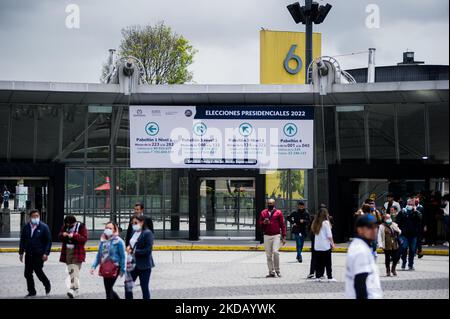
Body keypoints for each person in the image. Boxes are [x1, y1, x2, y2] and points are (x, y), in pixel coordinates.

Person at [345, 214, 383, 299]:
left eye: (375, 226)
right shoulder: (360, 250)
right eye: (369, 227)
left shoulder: (362, 246)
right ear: (360, 230)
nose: (374, 230)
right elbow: (360, 284)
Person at [19, 209, 52, 297]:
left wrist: (46, 253)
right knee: (27, 273)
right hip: (29, 254)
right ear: (30, 217)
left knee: (38, 271)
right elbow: (22, 240)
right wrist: (21, 253)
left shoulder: (44, 227)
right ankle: (32, 291)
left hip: (39, 254)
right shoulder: (26, 227)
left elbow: (48, 241)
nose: (36, 218)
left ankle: (47, 283)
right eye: (34, 216)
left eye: (37, 216)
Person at [90, 222, 126, 299]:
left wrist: (122, 269)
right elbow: (99, 255)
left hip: (115, 267)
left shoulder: (119, 241)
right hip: (105, 267)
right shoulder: (103, 240)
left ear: (114, 230)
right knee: (109, 289)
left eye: (110, 228)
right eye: (106, 228)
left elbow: (123, 256)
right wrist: (93, 266)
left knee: (108, 289)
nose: (108, 230)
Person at [125, 215, 155, 299]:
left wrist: (134, 251)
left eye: (135, 223)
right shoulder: (133, 232)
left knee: (144, 288)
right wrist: (129, 248)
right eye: (132, 223)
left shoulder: (147, 233)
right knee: (127, 286)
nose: (133, 225)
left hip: (144, 265)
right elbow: (132, 245)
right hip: (132, 265)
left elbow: (148, 250)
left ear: (142, 223)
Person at [58, 215, 88, 298]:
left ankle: (72, 289)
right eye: (67, 224)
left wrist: (74, 235)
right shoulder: (65, 226)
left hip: (77, 251)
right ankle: (76, 289)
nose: (68, 226)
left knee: (75, 270)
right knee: (71, 270)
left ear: (74, 222)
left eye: (70, 224)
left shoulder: (81, 226)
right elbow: (59, 236)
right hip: (67, 251)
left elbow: (84, 239)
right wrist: (62, 234)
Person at [258, 198, 287, 278]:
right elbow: (259, 224)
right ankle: (271, 272)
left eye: (271, 203)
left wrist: (284, 236)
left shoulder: (278, 213)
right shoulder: (263, 213)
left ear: (274, 204)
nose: (270, 205)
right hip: (267, 235)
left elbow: (282, 225)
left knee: (276, 252)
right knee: (268, 255)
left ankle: (277, 270)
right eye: (269, 203)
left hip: (276, 235)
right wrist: (263, 222)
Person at [311, 208, 336, 282]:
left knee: (318, 262)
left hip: (317, 246)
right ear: (326, 214)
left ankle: (318, 276)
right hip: (325, 246)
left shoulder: (315, 222)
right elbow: (329, 236)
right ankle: (330, 277)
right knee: (328, 262)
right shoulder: (326, 223)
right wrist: (333, 244)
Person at [396, 198, 422, 271]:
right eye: (409, 204)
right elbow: (397, 221)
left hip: (413, 235)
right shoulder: (402, 211)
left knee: (412, 250)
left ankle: (411, 265)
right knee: (404, 248)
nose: (410, 205)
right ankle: (404, 263)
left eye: (412, 204)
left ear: (414, 205)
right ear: (406, 204)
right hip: (404, 234)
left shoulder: (417, 212)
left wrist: (415, 211)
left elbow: (420, 219)